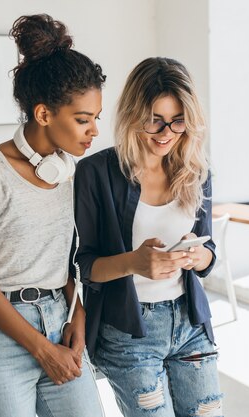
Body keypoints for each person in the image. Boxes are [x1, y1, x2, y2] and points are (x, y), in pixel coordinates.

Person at [0, 14, 105, 417]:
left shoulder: (69, 171)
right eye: (83, 119)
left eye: (96, 119)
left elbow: (63, 258)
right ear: (44, 114)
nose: (94, 131)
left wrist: (77, 313)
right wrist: (41, 349)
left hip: (58, 317)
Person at [74, 57, 224, 417]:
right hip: (129, 332)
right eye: (155, 119)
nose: (166, 133)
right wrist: (134, 263)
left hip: (190, 324)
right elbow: (85, 267)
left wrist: (200, 258)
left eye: (177, 121)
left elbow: (209, 251)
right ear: (132, 114)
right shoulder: (95, 173)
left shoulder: (196, 171)